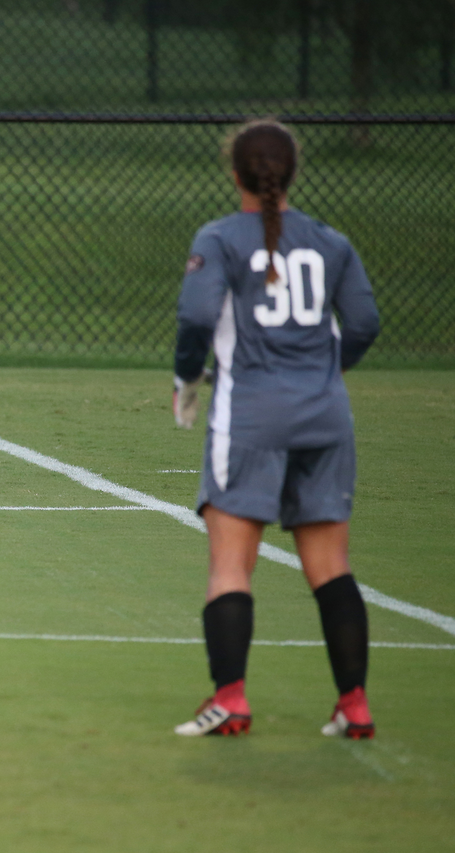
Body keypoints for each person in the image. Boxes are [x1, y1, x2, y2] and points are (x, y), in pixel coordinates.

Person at [171, 120, 381, 739]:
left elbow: (195, 315)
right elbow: (364, 323)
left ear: (234, 174)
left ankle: (231, 699)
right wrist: (323, 371)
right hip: (327, 417)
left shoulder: (220, 237)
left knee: (232, 565)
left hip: (251, 417)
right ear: (293, 174)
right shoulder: (330, 241)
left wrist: (187, 379)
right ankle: (355, 706)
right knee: (330, 566)